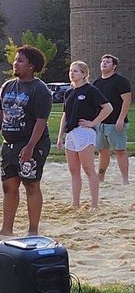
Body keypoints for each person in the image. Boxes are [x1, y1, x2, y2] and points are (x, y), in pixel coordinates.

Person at [0, 45, 53, 236]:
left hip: (32, 143)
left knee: (31, 185)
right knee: (9, 186)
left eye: (20, 61)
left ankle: (33, 230)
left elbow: (41, 121)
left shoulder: (40, 90)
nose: (15, 63)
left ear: (31, 66)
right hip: (10, 144)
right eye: (15, 60)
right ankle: (6, 229)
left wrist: (30, 147)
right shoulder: (7, 86)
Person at [55, 60, 112, 212]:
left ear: (84, 74)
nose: (72, 73)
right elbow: (65, 115)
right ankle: (75, 203)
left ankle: (94, 204)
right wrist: (60, 136)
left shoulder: (90, 90)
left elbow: (108, 108)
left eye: (76, 71)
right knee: (74, 170)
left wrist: (93, 122)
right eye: (71, 70)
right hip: (71, 133)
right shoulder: (69, 92)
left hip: (84, 132)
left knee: (88, 168)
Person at [94, 53, 131, 185]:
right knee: (102, 152)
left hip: (115, 123)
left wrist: (121, 119)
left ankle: (125, 180)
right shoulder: (97, 82)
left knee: (120, 151)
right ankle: (100, 178)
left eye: (108, 62)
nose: (104, 63)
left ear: (114, 66)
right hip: (100, 123)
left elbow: (127, 101)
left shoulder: (120, 81)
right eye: (103, 61)